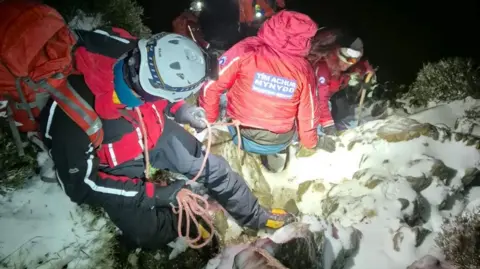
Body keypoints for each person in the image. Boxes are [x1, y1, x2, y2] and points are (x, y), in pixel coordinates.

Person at [39, 28, 295, 250]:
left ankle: (256, 218)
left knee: (216, 169)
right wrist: (160, 194)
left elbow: (162, 90)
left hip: (152, 129)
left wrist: (181, 110)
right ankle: (185, 225)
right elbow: (83, 187)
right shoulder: (71, 113)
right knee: (146, 232)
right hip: (115, 158)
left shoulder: (143, 57)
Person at [199, 10, 320, 173]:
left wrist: (209, 119)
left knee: (226, 97)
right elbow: (309, 112)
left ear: (272, 25)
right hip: (279, 140)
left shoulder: (247, 48)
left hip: (241, 134)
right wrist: (310, 143)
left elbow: (211, 85)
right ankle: (275, 158)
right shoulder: (305, 70)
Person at [308, 28, 376, 137]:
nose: (346, 64)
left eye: (352, 61)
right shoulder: (322, 66)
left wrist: (365, 71)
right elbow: (319, 99)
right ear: (337, 52)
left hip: (331, 93)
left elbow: (356, 67)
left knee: (342, 108)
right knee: (319, 120)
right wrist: (327, 124)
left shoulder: (341, 64)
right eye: (343, 59)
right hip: (310, 100)